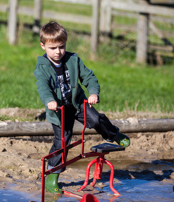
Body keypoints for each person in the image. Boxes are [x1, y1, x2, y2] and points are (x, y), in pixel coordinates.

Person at [34, 21, 130, 195]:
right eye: (53, 48)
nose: (58, 52)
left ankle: (114, 134)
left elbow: (89, 77)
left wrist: (93, 92)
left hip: (77, 104)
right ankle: (51, 176)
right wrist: (49, 100)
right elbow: (43, 86)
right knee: (62, 141)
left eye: (61, 47)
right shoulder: (42, 67)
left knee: (95, 118)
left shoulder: (73, 59)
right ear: (43, 46)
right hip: (59, 111)